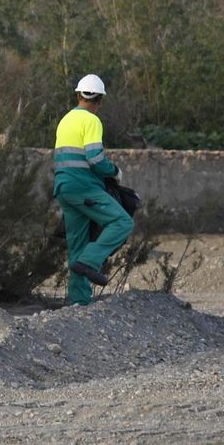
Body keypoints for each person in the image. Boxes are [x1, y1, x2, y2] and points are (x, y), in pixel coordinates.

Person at [52, 74, 133, 305]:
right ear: (100, 100)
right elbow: (95, 158)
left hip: (63, 188)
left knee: (77, 242)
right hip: (84, 187)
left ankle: (78, 301)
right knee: (122, 222)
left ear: (78, 95)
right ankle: (90, 261)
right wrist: (114, 171)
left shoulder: (65, 120)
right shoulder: (92, 121)